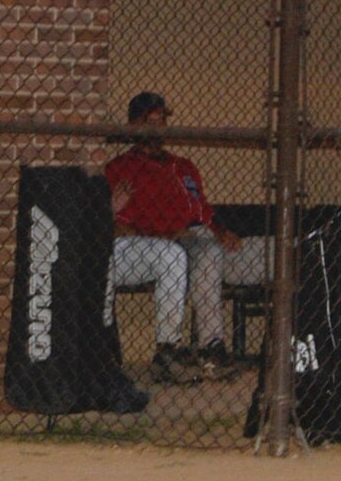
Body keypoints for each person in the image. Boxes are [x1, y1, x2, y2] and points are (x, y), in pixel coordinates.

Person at [105, 91, 257, 384]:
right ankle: (167, 352)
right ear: (134, 125)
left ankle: (213, 349)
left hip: (189, 239)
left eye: (162, 120)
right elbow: (119, 227)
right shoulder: (120, 167)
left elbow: (203, 212)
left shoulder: (183, 166)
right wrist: (164, 236)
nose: (158, 126)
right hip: (148, 246)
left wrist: (221, 232)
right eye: (151, 120)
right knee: (171, 254)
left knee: (215, 251)